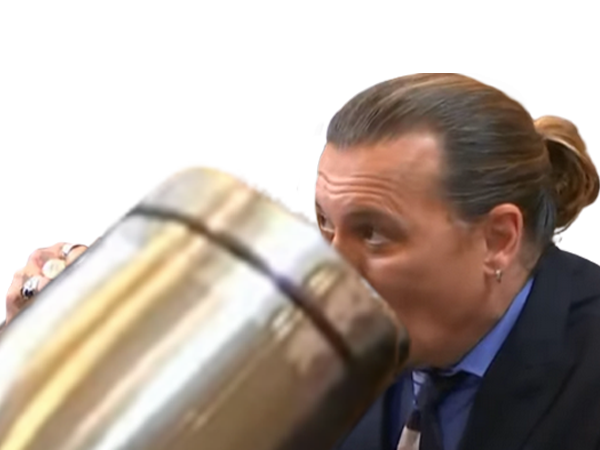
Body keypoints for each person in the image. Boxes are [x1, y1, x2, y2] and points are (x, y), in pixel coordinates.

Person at [6, 73, 600, 450]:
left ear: (498, 239)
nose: (331, 268)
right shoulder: (326, 347)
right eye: (326, 223)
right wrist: (73, 352)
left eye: (374, 234)